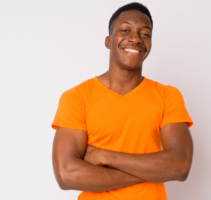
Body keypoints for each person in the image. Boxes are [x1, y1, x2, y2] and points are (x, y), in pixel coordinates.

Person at [51, 2, 193, 200]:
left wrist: (105, 156)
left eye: (145, 34)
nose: (135, 39)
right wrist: (151, 171)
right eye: (125, 30)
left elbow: (179, 165)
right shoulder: (76, 97)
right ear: (109, 41)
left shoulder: (167, 95)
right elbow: (68, 175)